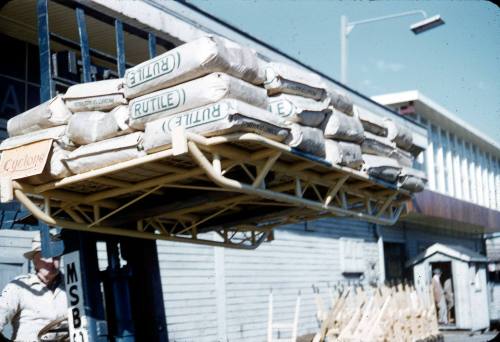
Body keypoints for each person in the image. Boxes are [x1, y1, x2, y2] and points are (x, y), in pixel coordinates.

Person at [0, 233, 67, 341]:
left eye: (55, 256)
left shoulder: (73, 286)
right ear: (34, 260)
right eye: (45, 255)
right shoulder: (18, 286)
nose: (51, 261)